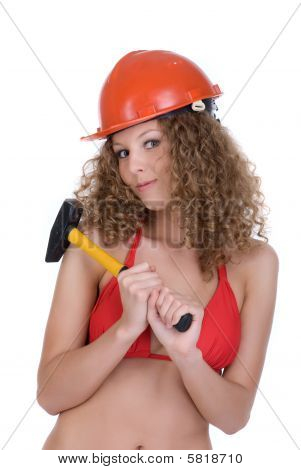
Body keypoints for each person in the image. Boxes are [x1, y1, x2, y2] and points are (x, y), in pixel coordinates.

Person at [36, 50, 279, 450]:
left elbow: (234, 417)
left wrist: (188, 355)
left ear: (195, 145)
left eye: (150, 142)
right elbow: (50, 395)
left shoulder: (255, 264)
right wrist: (125, 328)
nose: (133, 168)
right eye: (122, 152)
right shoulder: (97, 241)